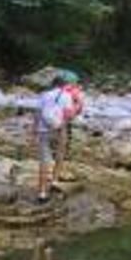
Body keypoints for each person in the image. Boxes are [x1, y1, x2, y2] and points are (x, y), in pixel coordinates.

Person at [31, 70, 85, 203]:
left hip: (43, 130)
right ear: (67, 84)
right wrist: (78, 105)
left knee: (44, 161)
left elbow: (37, 114)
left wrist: (34, 131)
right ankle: (54, 181)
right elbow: (69, 115)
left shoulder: (44, 95)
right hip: (59, 130)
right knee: (60, 154)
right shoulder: (67, 96)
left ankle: (42, 193)